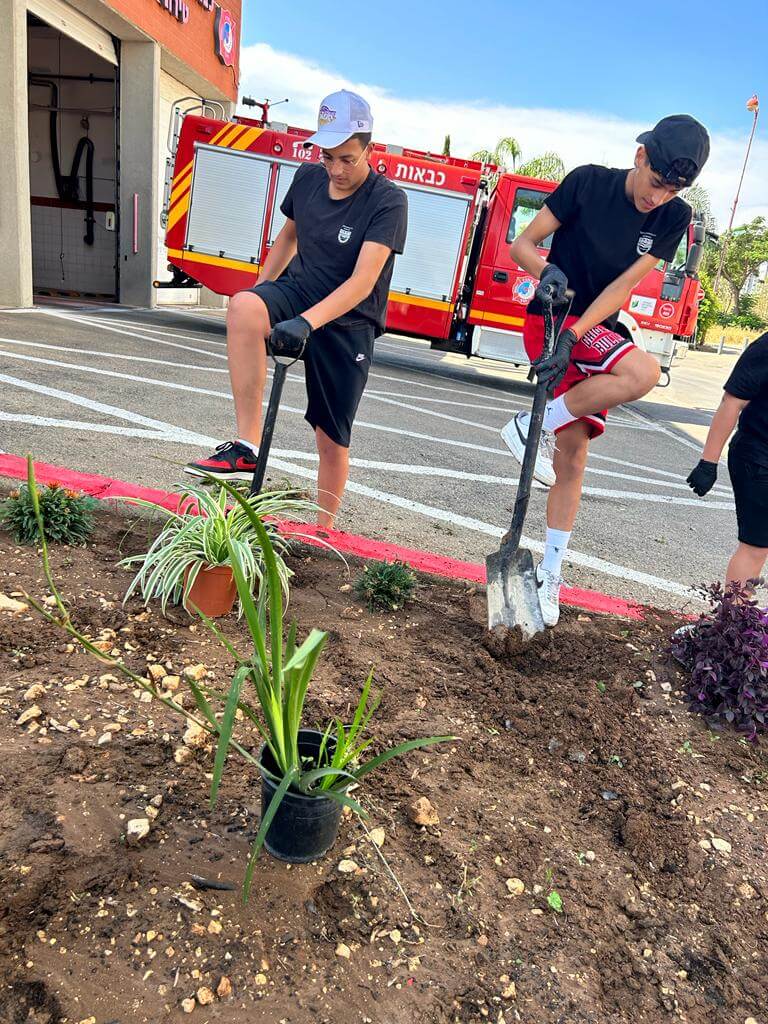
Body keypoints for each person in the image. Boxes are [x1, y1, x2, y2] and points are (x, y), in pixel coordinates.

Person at [500, 114, 710, 625]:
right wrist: (545, 271)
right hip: (550, 318)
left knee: (575, 455)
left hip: (587, 328)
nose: (659, 197)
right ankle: (535, 426)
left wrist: (576, 336)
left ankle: (550, 575)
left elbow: (622, 288)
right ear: (641, 157)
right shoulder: (587, 182)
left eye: (673, 189)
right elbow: (521, 245)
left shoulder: (672, 216)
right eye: (657, 182)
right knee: (628, 388)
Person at [185, 90, 408, 528]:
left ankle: (323, 531)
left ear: (369, 148)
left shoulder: (388, 201)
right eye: (328, 157)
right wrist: (263, 291)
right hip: (299, 290)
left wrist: (305, 323)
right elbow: (287, 238)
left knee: (330, 439)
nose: (336, 169)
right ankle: (246, 447)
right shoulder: (307, 179)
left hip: (349, 320)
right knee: (243, 307)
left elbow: (363, 281)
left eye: (348, 158)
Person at [687, 332, 768, 589]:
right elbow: (731, 401)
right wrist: (708, 462)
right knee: (756, 546)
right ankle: (733, 622)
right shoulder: (765, 348)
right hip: (758, 459)